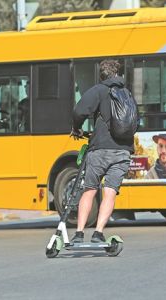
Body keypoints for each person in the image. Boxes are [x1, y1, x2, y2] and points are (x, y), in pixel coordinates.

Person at [70, 59, 132, 244]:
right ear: (118, 73)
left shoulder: (99, 90)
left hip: (100, 149)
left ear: (102, 74)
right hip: (123, 152)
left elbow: (79, 111)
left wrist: (76, 128)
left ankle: (79, 233)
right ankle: (98, 232)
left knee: (89, 190)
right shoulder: (127, 93)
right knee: (110, 192)